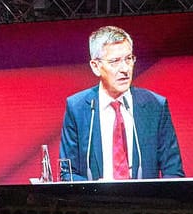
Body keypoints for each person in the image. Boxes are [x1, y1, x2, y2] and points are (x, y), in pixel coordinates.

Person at [57, 25, 185, 182]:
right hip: (94, 203)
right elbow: (68, 173)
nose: (125, 69)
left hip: (144, 203)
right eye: (115, 61)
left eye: (128, 59)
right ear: (96, 66)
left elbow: (173, 172)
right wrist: (96, 191)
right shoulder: (77, 107)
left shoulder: (155, 106)